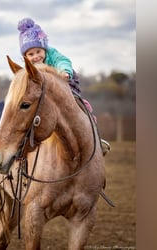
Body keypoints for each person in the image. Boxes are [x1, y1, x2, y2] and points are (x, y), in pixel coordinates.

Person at [17, 17, 111, 156]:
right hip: (43, 94)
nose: (36, 56)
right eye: (31, 54)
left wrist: (64, 72)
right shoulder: (28, 67)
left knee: (82, 105)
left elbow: (63, 61)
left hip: (65, 84)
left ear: (44, 48)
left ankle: (95, 137)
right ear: (25, 56)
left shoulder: (52, 54)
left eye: (38, 51)